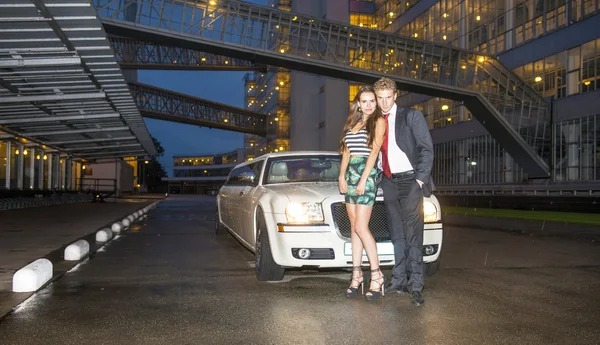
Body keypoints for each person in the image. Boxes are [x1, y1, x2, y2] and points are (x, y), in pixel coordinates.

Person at [373, 77, 434, 307]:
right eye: (381, 98)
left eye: (389, 97)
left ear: (396, 95)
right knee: (396, 234)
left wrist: (420, 179)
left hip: (410, 181)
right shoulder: (375, 120)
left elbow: (426, 149)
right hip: (388, 181)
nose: (385, 102)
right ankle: (398, 280)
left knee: (413, 235)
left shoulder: (411, 116)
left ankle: (416, 285)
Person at [338, 85, 387, 301]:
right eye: (364, 101)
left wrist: (365, 178)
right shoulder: (352, 123)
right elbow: (346, 151)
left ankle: (377, 276)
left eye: (372, 101)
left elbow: (375, 151)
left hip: (366, 174)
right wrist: (341, 176)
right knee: (353, 227)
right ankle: (356, 276)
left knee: (361, 227)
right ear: (358, 103)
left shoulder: (378, 121)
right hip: (350, 175)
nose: (368, 105)